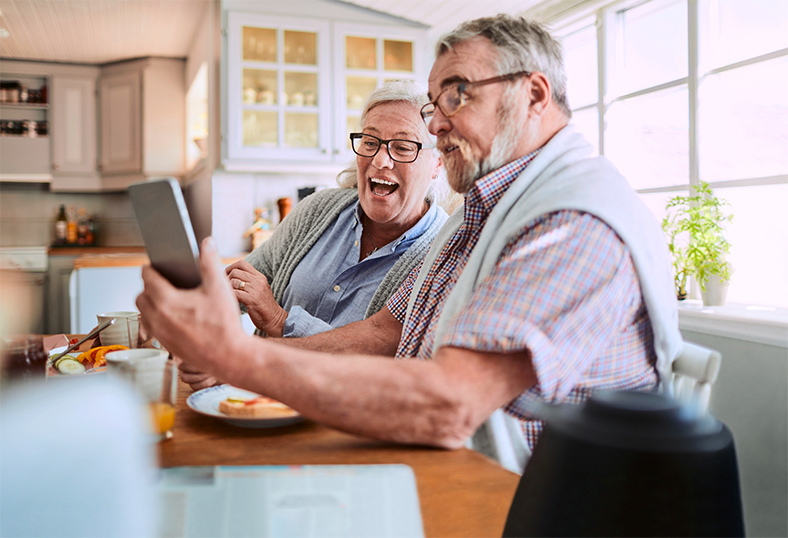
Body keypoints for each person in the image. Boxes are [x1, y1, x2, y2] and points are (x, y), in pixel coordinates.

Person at [138, 15, 682, 459]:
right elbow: (383, 332)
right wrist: (244, 363)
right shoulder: (488, 212)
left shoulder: (571, 224)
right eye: (434, 102)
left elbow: (449, 405)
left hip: (536, 500)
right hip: (450, 462)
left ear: (534, 94)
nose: (438, 121)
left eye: (458, 95)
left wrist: (235, 359)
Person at [223, 81, 449, 339]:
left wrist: (279, 320)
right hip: (252, 378)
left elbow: (380, 358)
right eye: (370, 142)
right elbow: (240, 284)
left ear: (438, 163)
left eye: (403, 147)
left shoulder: (444, 252)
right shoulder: (318, 211)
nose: (380, 160)